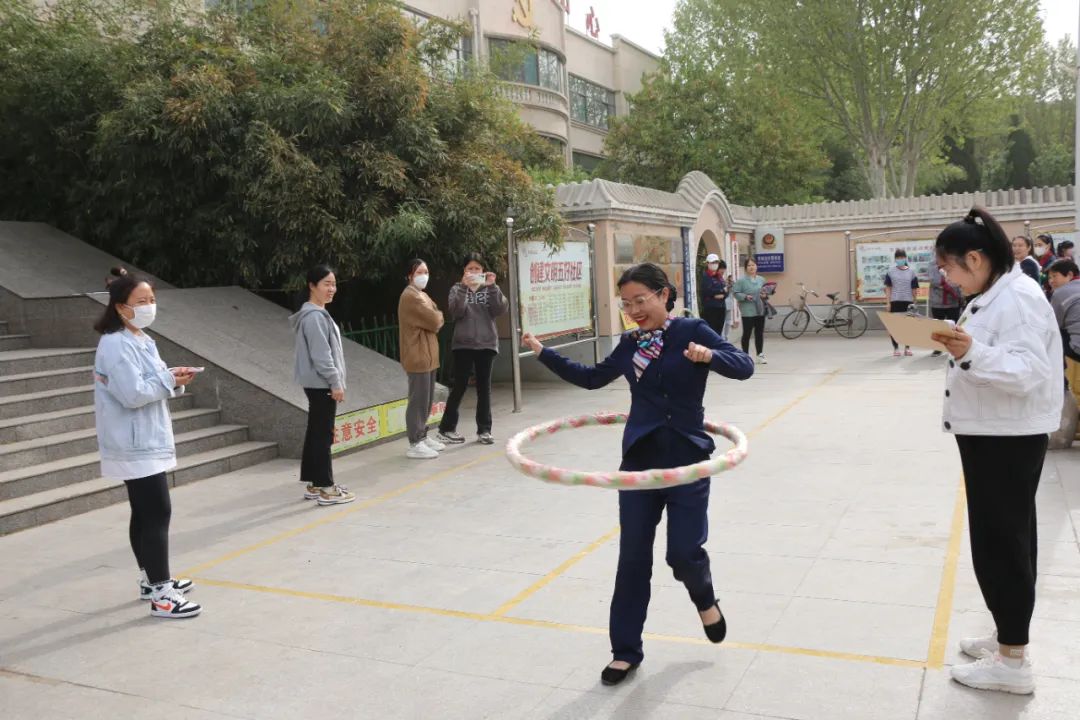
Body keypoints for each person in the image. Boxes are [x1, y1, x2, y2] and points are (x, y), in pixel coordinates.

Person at [522, 262, 754, 687]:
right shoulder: (630, 344)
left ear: (664, 294)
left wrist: (711, 356)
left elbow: (744, 365)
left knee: (682, 554)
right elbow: (592, 379)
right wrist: (542, 351)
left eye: (640, 300)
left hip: (687, 461)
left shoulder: (693, 331)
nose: (633, 310)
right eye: (626, 304)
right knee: (632, 561)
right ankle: (625, 651)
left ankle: (705, 599)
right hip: (640, 463)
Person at [930, 206, 1062, 695]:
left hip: (1006, 439)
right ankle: (1009, 636)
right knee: (1005, 538)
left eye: (949, 267)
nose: (945, 276)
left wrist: (970, 352)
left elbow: (1027, 372)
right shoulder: (995, 293)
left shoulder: (1020, 298)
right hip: (994, 435)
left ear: (976, 258)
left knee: (1001, 544)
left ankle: (1013, 664)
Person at [92, 273, 201, 618]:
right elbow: (132, 393)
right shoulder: (114, 344)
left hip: (144, 439)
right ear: (121, 307)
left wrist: (174, 378)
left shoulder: (141, 338)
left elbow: (151, 381)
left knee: (144, 513)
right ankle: (162, 594)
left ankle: (150, 579)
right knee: (157, 513)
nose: (149, 306)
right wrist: (169, 379)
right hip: (134, 443)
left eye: (152, 299)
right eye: (142, 302)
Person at [289, 265, 355, 506]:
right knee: (323, 435)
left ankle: (315, 483)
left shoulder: (314, 314)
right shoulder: (315, 316)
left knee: (316, 432)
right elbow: (322, 356)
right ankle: (327, 488)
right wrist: (335, 382)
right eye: (326, 284)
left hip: (317, 383)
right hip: (322, 383)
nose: (332, 289)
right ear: (312, 285)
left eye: (333, 284)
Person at [437, 253, 508, 446]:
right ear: (464, 271)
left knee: (484, 388)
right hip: (463, 345)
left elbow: (500, 310)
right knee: (459, 386)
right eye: (470, 268)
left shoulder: (491, 288)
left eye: (477, 268)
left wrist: (493, 287)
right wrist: (463, 287)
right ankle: (446, 429)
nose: (474, 272)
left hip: (486, 345)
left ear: (483, 271)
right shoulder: (457, 289)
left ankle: (484, 431)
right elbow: (456, 311)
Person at [398, 259, 445, 459]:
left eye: (426, 271)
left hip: (428, 356)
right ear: (410, 275)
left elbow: (436, 316)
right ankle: (415, 441)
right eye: (419, 271)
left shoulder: (422, 295)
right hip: (417, 356)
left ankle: (422, 435)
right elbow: (436, 320)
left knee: (426, 400)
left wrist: (437, 315)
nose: (424, 275)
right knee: (418, 400)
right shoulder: (411, 296)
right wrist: (437, 315)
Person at [884, 249, 919, 357]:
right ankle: (896, 348)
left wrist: (915, 300)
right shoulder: (890, 272)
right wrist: (888, 302)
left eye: (902, 257)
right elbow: (888, 288)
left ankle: (907, 348)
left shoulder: (911, 272)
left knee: (908, 326)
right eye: (898, 258)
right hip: (895, 301)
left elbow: (914, 288)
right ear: (895, 259)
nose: (900, 259)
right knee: (895, 327)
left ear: (905, 258)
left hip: (908, 302)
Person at [732, 258, 767, 363]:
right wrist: (745, 296)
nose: (752, 267)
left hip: (760, 309)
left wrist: (764, 295)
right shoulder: (741, 281)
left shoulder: (761, 279)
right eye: (749, 265)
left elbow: (766, 292)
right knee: (747, 333)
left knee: (759, 333)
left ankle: (760, 355)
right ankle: (745, 355)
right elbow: (735, 293)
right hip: (747, 310)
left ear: (756, 266)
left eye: (753, 265)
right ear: (746, 268)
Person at [1048, 259, 1080, 362]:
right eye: (1049, 277)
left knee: (1051, 334)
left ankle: (1062, 376)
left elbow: (1054, 323)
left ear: (1070, 275)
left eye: (1055, 276)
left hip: (1077, 350)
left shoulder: (1060, 293)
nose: (1051, 281)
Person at [928, 265, 963, 357]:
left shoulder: (953, 261)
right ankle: (938, 348)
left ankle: (955, 348)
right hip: (937, 302)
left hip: (953, 300)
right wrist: (948, 283)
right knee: (938, 327)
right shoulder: (932, 264)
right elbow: (933, 280)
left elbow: (959, 279)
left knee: (954, 327)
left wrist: (948, 284)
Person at [700, 254, 727, 337]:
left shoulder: (719, 277)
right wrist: (720, 292)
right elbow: (707, 291)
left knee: (719, 332)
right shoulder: (706, 276)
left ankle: (717, 349)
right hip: (711, 308)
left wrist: (722, 294)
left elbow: (726, 291)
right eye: (712, 262)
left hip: (721, 307)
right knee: (712, 332)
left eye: (716, 262)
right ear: (708, 263)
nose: (715, 264)